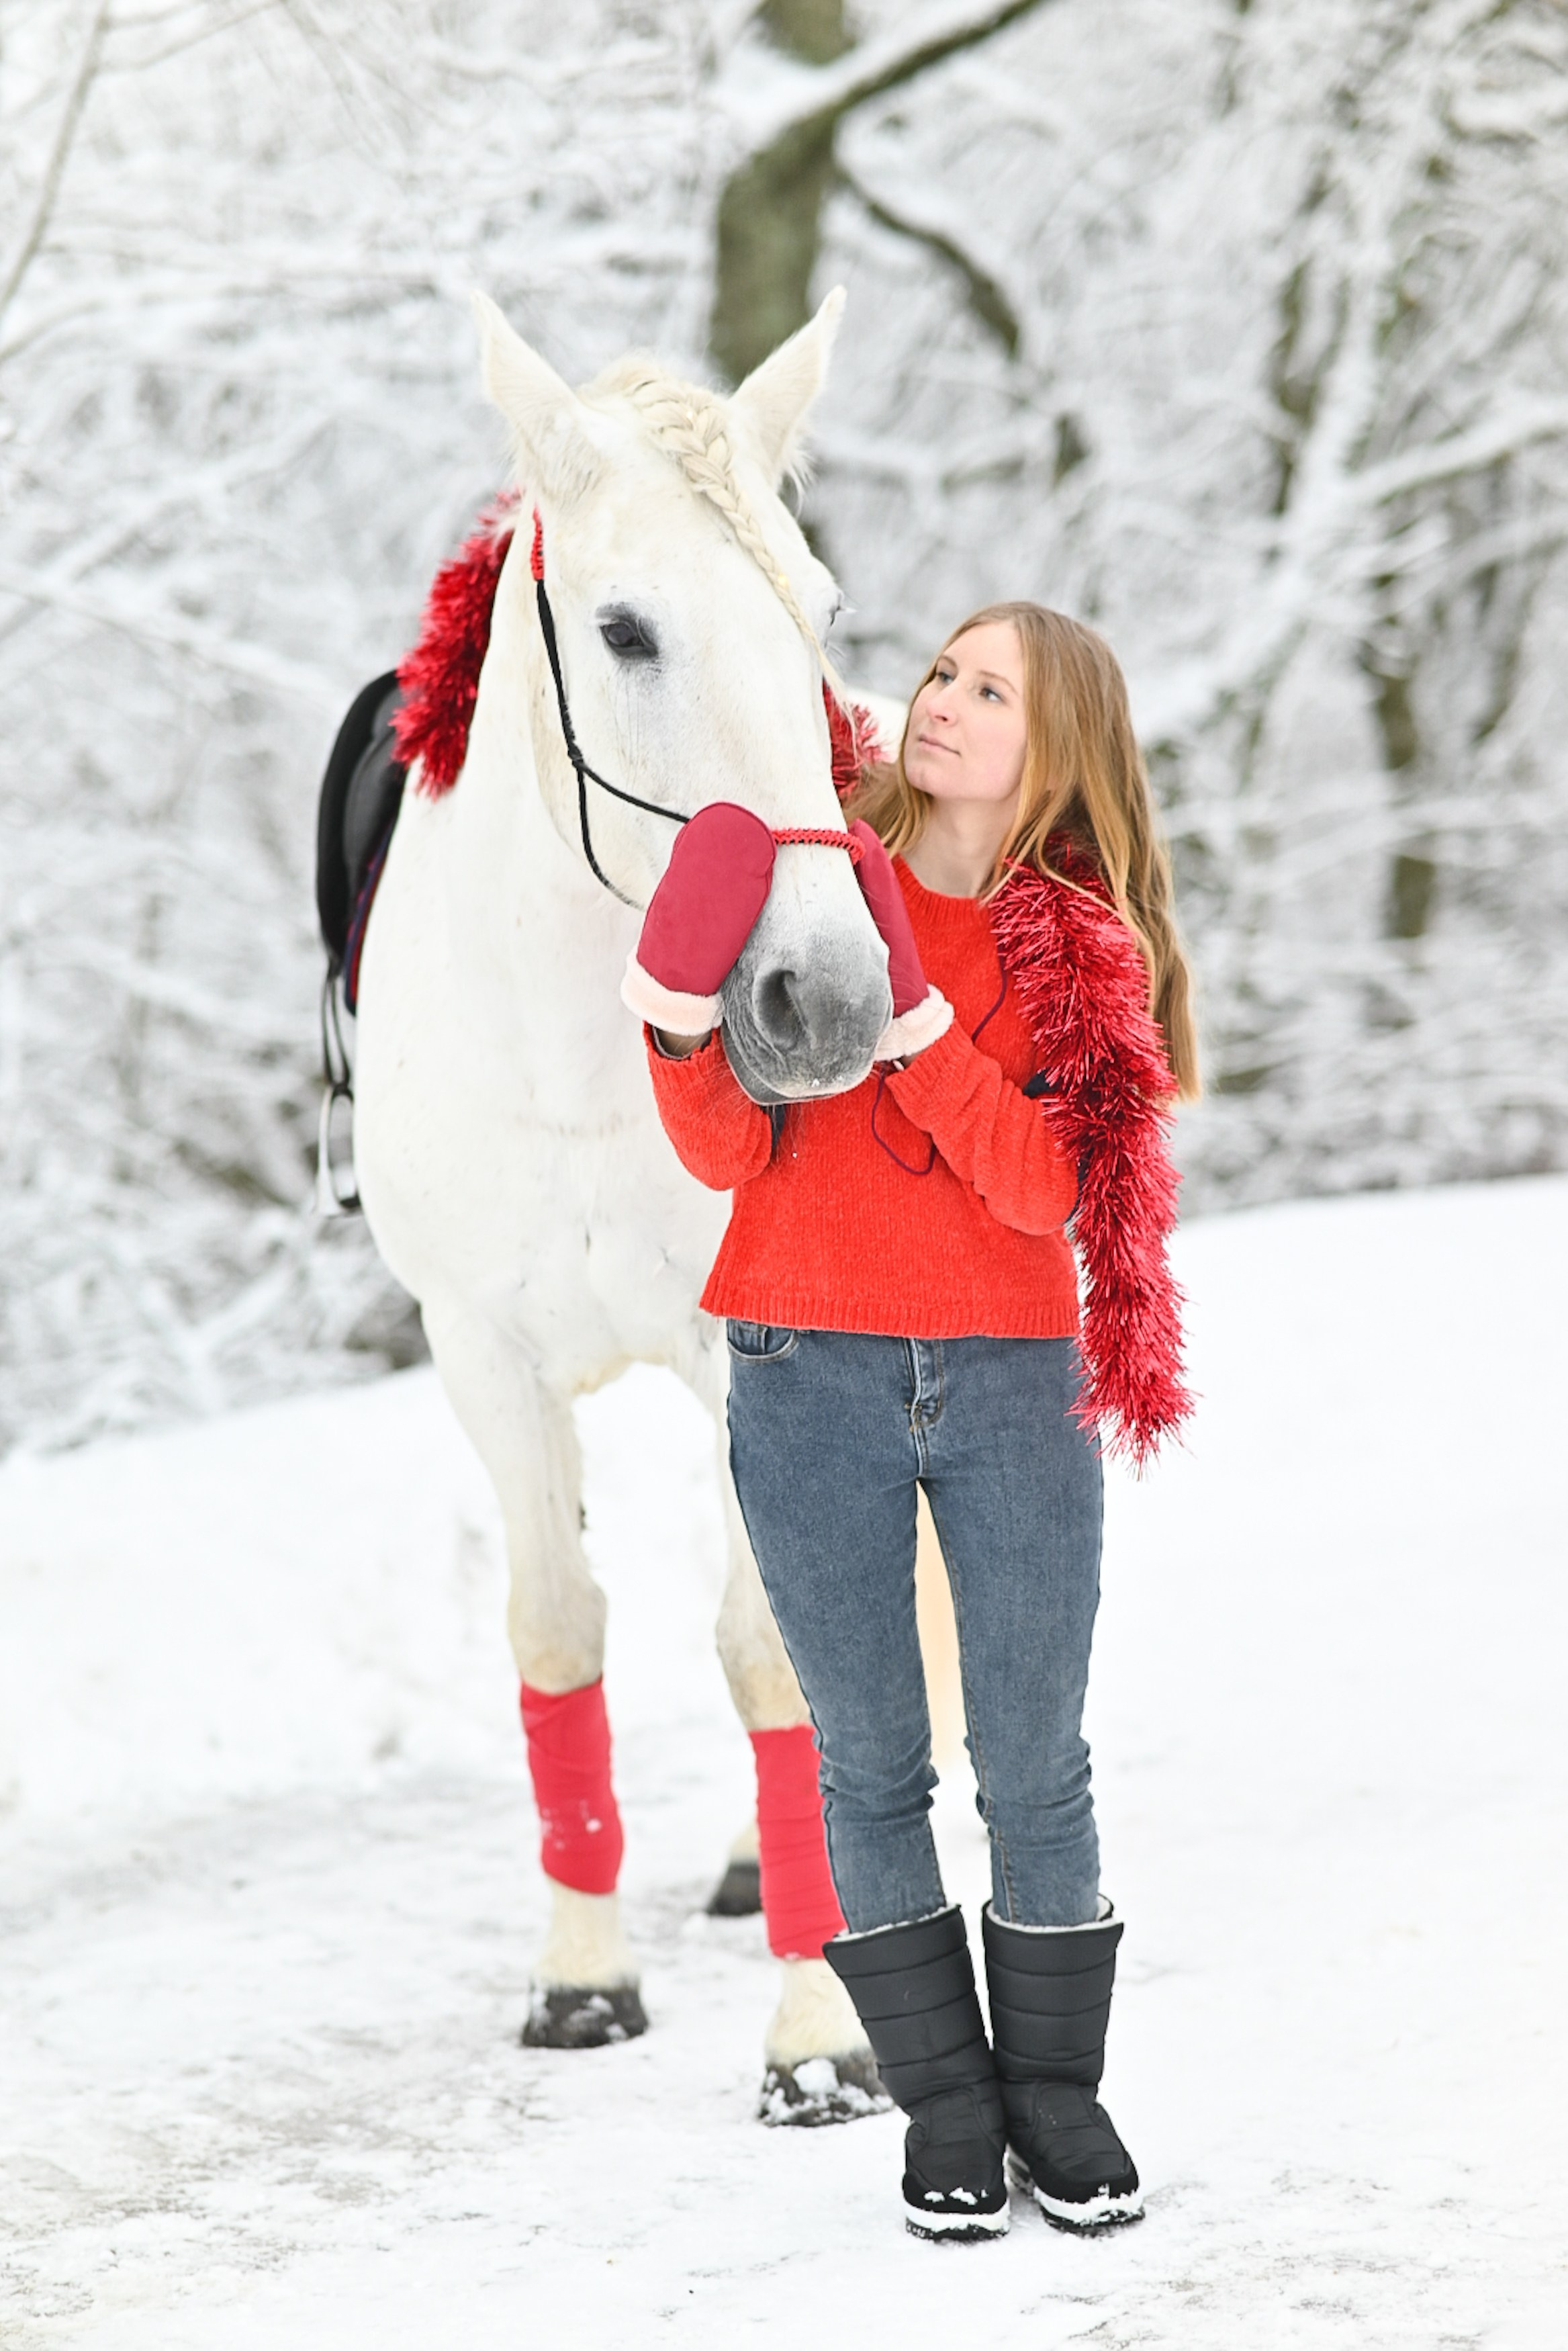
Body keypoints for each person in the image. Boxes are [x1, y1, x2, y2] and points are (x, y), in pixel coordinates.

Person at [622, 603, 1199, 2242]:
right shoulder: (814, 885)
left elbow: (1037, 1187)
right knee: (869, 1762)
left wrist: (918, 1018)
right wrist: (676, 1017)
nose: (939, 701)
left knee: (1032, 1759)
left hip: (1011, 1378)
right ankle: (944, 2105)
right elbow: (728, 1151)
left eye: (987, 688)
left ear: (1055, 741)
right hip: (802, 1360)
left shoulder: (1084, 950)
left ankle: (1055, 2097)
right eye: (942, 671)